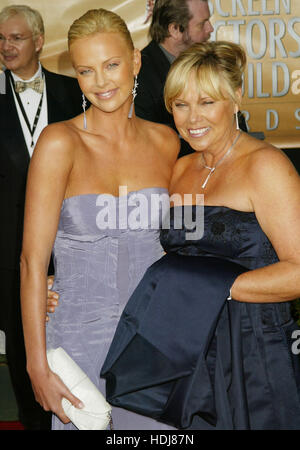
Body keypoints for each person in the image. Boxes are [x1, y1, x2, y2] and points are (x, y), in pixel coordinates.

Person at [101, 41, 300, 430]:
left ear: (236, 99)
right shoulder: (179, 169)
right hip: (185, 348)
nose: (192, 118)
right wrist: (64, 280)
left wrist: (211, 289)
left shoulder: (266, 166)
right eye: (181, 104)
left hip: (252, 347)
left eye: (207, 102)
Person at [20, 8, 179, 430]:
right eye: (86, 71)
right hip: (78, 338)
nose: (102, 82)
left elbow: (178, 243)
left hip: (153, 338)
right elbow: (32, 262)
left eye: (112, 65)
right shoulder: (59, 143)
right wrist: (37, 366)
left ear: (135, 62)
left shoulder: (166, 142)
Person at [0, 4, 82, 430]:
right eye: (1, 39)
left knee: (76, 339)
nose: (6, 46)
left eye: (15, 38)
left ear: (37, 41)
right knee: (22, 349)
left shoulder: (74, 91)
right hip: (13, 250)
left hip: (74, 241)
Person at [135, 0, 247, 158]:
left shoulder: (211, 66)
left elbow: (237, 125)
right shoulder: (139, 78)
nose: (210, 29)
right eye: (202, 24)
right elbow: (143, 145)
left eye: (207, 102)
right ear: (174, 29)